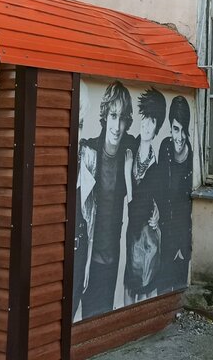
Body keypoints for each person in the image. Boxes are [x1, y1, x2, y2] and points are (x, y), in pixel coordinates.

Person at [76, 81, 134, 318]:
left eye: (122, 118)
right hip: (85, 260)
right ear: (105, 116)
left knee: (99, 322)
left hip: (111, 262)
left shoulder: (130, 152)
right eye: (113, 116)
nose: (117, 126)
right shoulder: (88, 152)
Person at [123, 88, 167, 305]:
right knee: (129, 284)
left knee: (146, 284)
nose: (146, 125)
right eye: (145, 118)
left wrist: (157, 216)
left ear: (157, 128)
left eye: (152, 121)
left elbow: (158, 200)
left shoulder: (156, 165)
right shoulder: (129, 147)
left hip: (148, 235)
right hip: (131, 230)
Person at [157, 96, 193, 294]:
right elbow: (161, 192)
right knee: (162, 289)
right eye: (175, 129)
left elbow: (187, 206)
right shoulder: (165, 148)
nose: (179, 136)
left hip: (182, 236)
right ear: (170, 127)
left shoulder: (192, 159)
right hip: (164, 234)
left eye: (183, 129)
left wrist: (181, 244)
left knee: (179, 290)